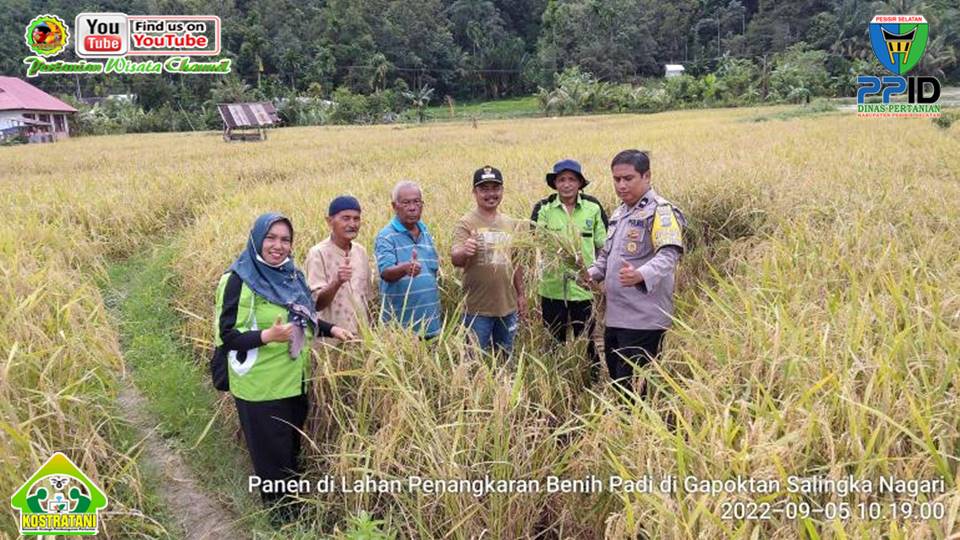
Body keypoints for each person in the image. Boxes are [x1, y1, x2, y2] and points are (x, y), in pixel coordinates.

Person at [214, 213, 353, 518]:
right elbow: (226, 336)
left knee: (289, 448)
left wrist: (330, 330)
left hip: (294, 378)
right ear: (257, 238)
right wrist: (268, 336)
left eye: (285, 240)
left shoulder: (292, 274)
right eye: (271, 238)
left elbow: (304, 316)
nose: (278, 246)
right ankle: (281, 517)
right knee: (271, 454)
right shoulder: (237, 279)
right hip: (259, 385)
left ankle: (292, 507)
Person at [584, 150, 686, 399]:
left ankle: (640, 434)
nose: (621, 185)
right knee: (620, 384)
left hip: (644, 320)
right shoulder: (619, 213)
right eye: (616, 179)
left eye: (628, 178)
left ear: (647, 176)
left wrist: (640, 274)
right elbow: (607, 257)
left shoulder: (661, 212)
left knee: (638, 389)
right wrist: (592, 273)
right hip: (616, 317)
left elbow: (669, 256)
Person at [530, 159, 607, 380]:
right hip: (552, 287)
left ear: (580, 183)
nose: (566, 184)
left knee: (589, 339)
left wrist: (599, 278)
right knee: (555, 340)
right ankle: (556, 380)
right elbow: (536, 241)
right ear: (554, 183)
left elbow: (603, 245)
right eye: (561, 179)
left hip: (584, 285)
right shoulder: (543, 208)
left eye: (571, 179)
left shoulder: (593, 208)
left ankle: (591, 380)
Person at [451, 166, 526, 359]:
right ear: (474, 192)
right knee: (473, 362)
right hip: (477, 310)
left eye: (495, 188)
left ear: (502, 191)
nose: (491, 194)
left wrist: (521, 295)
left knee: (505, 358)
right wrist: (465, 251)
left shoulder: (510, 223)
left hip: (507, 308)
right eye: (484, 189)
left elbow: (517, 261)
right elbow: (455, 258)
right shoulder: (465, 223)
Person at [375, 180, 443, 338]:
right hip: (400, 331)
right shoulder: (386, 236)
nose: (412, 207)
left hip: (431, 325)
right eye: (406, 203)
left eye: (416, 202)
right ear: (394, 206)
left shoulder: (426, 232)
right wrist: (405, 268)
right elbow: (385, 272)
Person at [304, 196, 375, 341]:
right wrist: (337, 281)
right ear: (330, 222)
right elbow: (315, 304)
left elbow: (368, 300)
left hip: (361, 340)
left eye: (356, 219)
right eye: (346, 218)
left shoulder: (360, 252)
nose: (352, 224)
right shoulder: (318, 254)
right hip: (330, 341)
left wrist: (372, 335)